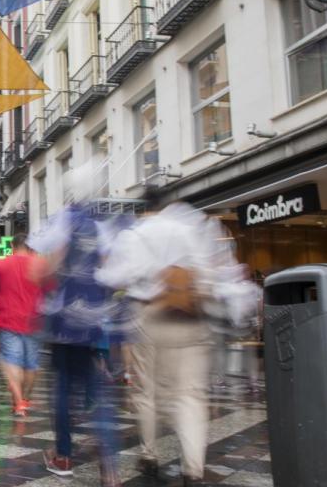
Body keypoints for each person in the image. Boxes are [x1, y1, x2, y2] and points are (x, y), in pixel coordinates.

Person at [96, 193, 258, 486]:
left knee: (147, 391)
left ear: (145, 210)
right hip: (191, 318)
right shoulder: (194, 225)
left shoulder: (135, 234)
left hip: (149, 315)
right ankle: (192, 469)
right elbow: (217, 273)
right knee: (191, 395)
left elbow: (113, 277)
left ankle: (149, 454)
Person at [28, 199, 128, 483]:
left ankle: (63, 456)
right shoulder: (100, 231)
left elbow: (44, 272)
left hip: (64, 325)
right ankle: (110, 467)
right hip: (93, 324)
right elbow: (113, 277)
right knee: (98, 392)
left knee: (62, 392)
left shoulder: (66, 226)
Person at [0, 233, 50, 416]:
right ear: (29, 246)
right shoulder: (40, 264)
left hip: (8, 320)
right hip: (35, 321)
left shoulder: (1, 264)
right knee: (31, 364)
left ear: (12, 246)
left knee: (12, 362)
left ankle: (18, 403)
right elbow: (52, 291)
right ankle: (25, 400)